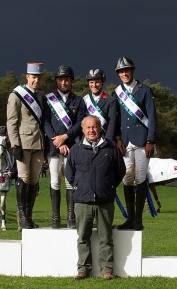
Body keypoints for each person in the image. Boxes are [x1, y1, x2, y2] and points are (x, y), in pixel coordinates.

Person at [65, 115, 126, 280]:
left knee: (106, 237)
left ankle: (107, 270)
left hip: (105, 201)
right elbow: (69, 172)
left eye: (94, 127)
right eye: (88, 128)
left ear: (100, 128)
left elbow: (121, 171)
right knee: (83, 238)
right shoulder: (76, 149)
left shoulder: (111, 147)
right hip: (82, 201)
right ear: (83, 130)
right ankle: (83, 269)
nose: (91, 130)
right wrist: (79, 186)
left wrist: (109, 186)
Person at [112, 56, 157, 231]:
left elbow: (152, 117)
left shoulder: (144, 90)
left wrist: (150, 140)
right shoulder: (117, 93)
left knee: (140, 178)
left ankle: (138, 220)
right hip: (125, 141)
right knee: (127, 178)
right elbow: (115, 119)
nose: (124, 73)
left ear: (132, 71)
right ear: (118, 74)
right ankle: (130, 218)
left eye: (127, 70)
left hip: (142, 140)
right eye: (121, 71)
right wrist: (117, 138)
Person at [44, 65, 85, 229]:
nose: (64, 82)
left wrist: (65, 138)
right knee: (54, 181)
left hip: (72, 147)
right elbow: (45, 122)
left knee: (70, 182)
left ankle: (71, 217)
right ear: (57, 81)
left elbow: (80, 123)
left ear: (71, 81)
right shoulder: (49, 99)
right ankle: (55, 217)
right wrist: (57, 141)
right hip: (54, 148)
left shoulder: (78, 100)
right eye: (61, 79)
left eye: (67, 79)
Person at [7, 62, 46, 229]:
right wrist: (15, 144)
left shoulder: (42, 96)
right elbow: (12, 121)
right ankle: (22, 216)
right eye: (33, 77)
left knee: (33, 181)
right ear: (27, 77)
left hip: (39, 143)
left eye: (38, 77)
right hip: (23, 144)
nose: (36, 80)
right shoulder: (17, 95)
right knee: (23, 179)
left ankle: (29, 216)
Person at [84, 68, 118, 140]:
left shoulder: (111, 100)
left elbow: (112, 124)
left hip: (104, 140)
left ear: (102, 82)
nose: (94, 85)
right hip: (87, 140)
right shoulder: (84, 100)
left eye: (97, 82)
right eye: (91, 82)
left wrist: (108, 141)